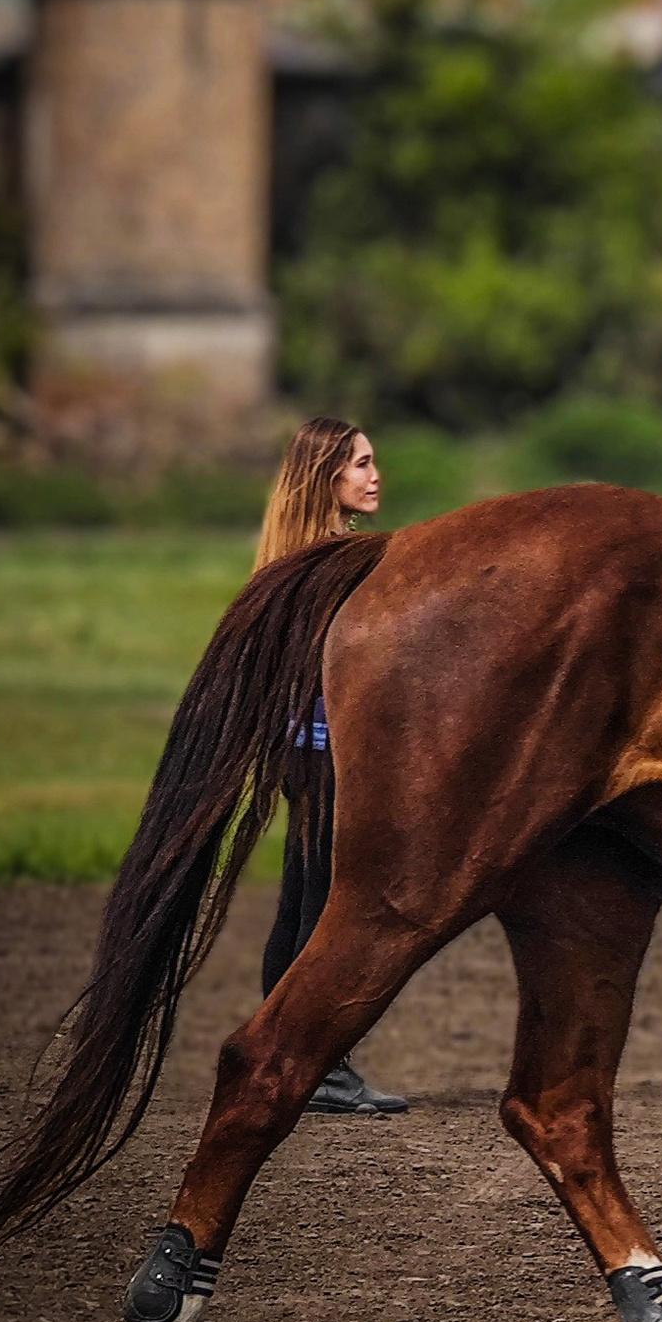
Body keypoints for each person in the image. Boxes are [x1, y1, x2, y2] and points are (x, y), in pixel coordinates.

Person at [254, 417, 407, 1115]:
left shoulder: (298, 552)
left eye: (373, 463)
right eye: (361, 465)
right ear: (327, 477)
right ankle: (316, 1066)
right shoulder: (333, 558)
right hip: (324, 747)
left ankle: (282, 1053)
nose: (375, 476)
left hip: (300, 747)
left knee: (301, 903)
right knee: (324, 910)